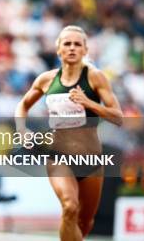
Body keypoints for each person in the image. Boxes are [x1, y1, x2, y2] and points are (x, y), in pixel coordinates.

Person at [15, 25, 122, 240]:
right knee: (69, 206)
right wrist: (21, 128)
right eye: (67, 43)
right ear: (58, 49)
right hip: (58, 156)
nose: (72, 48)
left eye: (77, 44)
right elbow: (22, 105)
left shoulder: (95, 77)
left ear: (85, 50)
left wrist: (87, 102)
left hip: (91, 158)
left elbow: (117, 117)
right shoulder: (46, 79)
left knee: (85, 221)